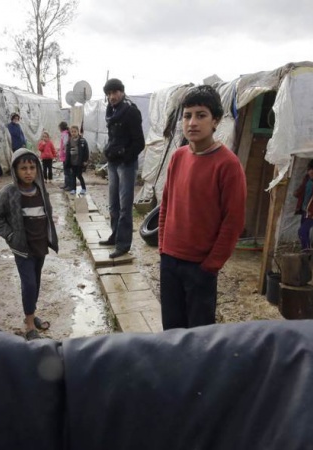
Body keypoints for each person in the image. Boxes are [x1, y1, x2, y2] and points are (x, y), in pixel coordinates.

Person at [158, 85, 246, 329]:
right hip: (170, 261)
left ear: (215, 121)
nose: (192, 123)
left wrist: (211, 265)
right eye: (187, 116)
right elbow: (165, 204)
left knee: (200, 336)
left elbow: (233, 221)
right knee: (172, 331)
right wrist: (163, 247)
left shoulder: (228, 164)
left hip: (201, 266)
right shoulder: (178, 157)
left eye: (201, 115)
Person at [0, 149, 58, 340]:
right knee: (29, 283)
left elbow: (47, 213)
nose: (28, 172)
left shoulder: (41, 190)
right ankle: (29, 324)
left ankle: (31, 314)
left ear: (37, 169)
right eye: (23, 168)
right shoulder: (9, 192)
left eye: (32, 168)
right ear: (15, 170)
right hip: (22, 248)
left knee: (36, 282)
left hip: (40, 245)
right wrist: (10, 235)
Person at [99, 78, 145, 259]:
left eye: (115, 92)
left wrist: (125, 157)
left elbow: (139, 142)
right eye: (109, 94)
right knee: (113, 204)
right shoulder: (111, 111)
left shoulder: (131, 111)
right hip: (113, 163)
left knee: (125, 206)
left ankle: (123, 245)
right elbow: (113, 138)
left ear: (122, 91)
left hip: (126, 164)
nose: (112, 97)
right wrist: (109, 151)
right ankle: (115, 236)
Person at [67, 125, 89, 195]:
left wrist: (85, 160)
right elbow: (67, 151)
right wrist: (67, 161)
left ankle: (83, 188)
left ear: (78, 132)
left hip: (79, 162)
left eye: (75, 131)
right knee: (73, 176)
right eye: (72, 132)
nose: (73, 133)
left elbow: (86, 151)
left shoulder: (82, 141)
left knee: (79, 175)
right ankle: (73, 189)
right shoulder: (69, 141)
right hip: (72, 162)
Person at [58, 121, 71, 190]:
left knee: (67, 171)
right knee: (66, 171)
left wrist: (65, 152)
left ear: (61, 128)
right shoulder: (65, 133)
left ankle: (69, 185)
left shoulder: (65, 134)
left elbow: (65, 144)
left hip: (66, 156)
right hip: (65, 156)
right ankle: (66, 184)